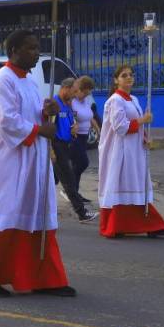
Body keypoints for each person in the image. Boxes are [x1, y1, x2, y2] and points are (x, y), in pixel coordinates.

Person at [0, 30, 76, 297]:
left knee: (34, 218)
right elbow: (6, 122)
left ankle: (42, 278)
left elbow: (31, 114)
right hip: (6, 162)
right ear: (14, 50)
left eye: (37, 48)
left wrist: (47, 112)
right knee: (1, 219)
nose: (36, 53)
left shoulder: (30, 81)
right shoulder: (2, 80)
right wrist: (40, 130)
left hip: (31, 160)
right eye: (31, 48)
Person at [97, 65, 164, 238]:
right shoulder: (115, 100)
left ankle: (144, 225)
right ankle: (148, 225)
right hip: (120, 152)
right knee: (123, 185)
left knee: (134, 185)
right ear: (116, 80)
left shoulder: (133, 99)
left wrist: (145, 137)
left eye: (131, 75)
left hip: (135, 150)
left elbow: (136, 125)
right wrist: (143, 120)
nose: (129, 78)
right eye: (124, 75)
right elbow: (120, 127)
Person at [52, 78, 98, 224]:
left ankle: (39, 207)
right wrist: (51, 151)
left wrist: (73, 129)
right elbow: (49, 128)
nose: (75, 94)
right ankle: (82, 213)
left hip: (67, 145)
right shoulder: (54, 104)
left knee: (53, 179)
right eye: (74, 91)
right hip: (57, 146)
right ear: (66, 88)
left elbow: (71, 123)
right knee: (69, 180)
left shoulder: (67, 104)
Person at [70, 76, 98, 189]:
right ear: (82, 88)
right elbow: (71, 116)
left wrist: (98, 129)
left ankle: (74, 191)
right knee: (83, 163)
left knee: (77, 164)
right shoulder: (72, 102)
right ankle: (69, 184)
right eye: (86, 91)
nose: (88, 94)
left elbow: (90, 117)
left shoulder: (85, 101)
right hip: (75, 136)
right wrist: (74, 123)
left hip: (84, 136)